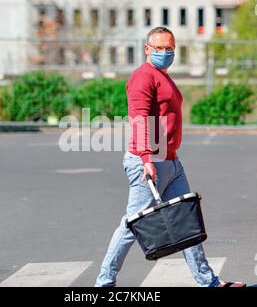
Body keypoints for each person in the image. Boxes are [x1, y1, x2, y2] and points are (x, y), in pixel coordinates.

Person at [95, 27, 246, 288]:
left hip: (171, 161)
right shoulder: (143, 77)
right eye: (159, 48)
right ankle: (104, 283)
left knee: (187, 221)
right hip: (148, 162)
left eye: (169, 48)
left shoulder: (162, 76)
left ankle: (208, 281)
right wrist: (145, 159)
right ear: (147, 49)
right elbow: (139, 119)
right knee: (133, 224)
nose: (165, 52)